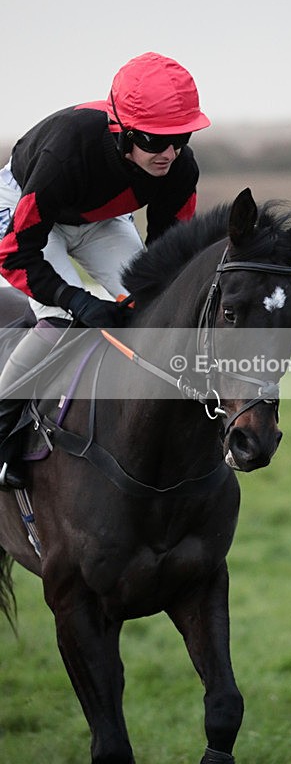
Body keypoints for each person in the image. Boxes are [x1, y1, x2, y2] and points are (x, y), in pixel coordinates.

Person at [0, 51, 210, 489]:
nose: (169, 153)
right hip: (27, 207)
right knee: (61, 320)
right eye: (154, 141)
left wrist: (141, 301)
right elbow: (17, 253)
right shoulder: (66, 153)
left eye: (181, 137)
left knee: (148, 307)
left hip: (99, 218)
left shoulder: (179, 168)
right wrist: (76, 300)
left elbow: (166, 263)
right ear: (121, 131)